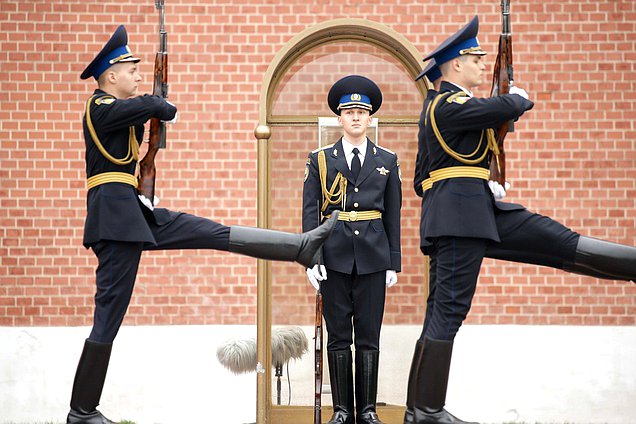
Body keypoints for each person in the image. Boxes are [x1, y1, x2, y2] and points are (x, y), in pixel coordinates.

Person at [68, 25, 339, 424]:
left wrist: (148, 167)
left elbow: (144, 131)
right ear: (111, 76)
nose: (138, 76)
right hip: (114, 221)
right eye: (131, 69)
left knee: (211, 231)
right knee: (109, 313)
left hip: (134, 212)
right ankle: (81, 411)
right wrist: (161, 105)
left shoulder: (121, 111)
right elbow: (148, 108)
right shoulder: (100, 106)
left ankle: (299, 247)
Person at [405, 16, 636, 424]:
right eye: (476, 58)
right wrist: (517, 98)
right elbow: (508, 105)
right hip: (460, 221)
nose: (481, 64)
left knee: (556, 241)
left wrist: (476, 183)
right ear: (455, 65)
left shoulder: (454, 110)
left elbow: (422, 178)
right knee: (446, 312)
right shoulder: (445, 104)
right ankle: (424, 412)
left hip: (478, 211)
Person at [302, 75, 402, 424]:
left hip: (374, 256)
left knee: (369, 336)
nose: (357, 117)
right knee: (339, 335)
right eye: (349, 112)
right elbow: (310, 213)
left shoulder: (387, 160)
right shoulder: (320, 160)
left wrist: (394, 262)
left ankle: (369, 410)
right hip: (334, 256)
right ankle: (343, 410)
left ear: (371, 118)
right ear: (339, 119)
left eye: (363, 111)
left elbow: (393, 214)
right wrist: (310, 258)